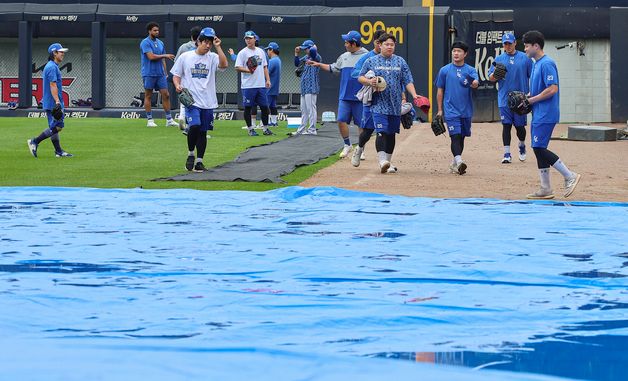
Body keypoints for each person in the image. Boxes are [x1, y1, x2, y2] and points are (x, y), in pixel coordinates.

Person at [522, 30, 581, 199]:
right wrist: (527, 97)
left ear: (536, 46)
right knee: (538, 148)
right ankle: (546, 188)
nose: (525, 49)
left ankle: (570, 175)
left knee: (539, 148)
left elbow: (553, 89)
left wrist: (532, 100)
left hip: (546, 114)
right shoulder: (535, 63)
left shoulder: (547, 63)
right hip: (539, 113)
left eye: (526, 46)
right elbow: (539, 89)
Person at [358, 33, 424, 174]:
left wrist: (414, 94)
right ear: (380, 45)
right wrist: (369, 81)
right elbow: (360, 77)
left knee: (391, 134)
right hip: (378, 103)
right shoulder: (371, 61)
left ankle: (388, 162)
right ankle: (382, 161)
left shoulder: (400, 62)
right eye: (386, 44)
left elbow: (408, 80)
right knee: (381, 132)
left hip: (395, 104)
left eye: (392, 44)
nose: (389, 46)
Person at [171, 27, 228, 172]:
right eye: (205, 42)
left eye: (210, 42)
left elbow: (224, 65)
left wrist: (218, 46)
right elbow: (176, 75)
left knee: (203, 132)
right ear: (199, 42)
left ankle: (199, 161)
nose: (208, 45)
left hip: (208, 101)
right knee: (195, 125)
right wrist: (177, 85)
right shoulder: (186, 56)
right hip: (192, 101)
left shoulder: (213, 57)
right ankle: (190, 154)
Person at [309, 30, 368, 158]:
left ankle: (361, 149)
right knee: (341, 120)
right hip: (345, 97)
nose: (345, 44)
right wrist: (318, 64)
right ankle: (347, 145)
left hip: (360, 97)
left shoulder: (367, 56)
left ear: (354, 43)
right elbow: (333, 68)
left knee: (361, 124)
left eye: (347, 42)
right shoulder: (344, 56)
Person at [435, 41, 479, 175]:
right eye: (454, 51)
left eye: (459, 51)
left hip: (465, 110)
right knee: (455, 136)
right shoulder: (445, 70)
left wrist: (471, 82)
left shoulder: (470, 70)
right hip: (450, 110)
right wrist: (440, 110)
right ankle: (459, 161)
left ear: (465, 54)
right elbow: (440, 90)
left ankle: (454, 163)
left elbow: (476, 84)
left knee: (462, 138)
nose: (456, 53)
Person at [488, 32, 533, 163]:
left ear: (515, 43)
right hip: (504, 98)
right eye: (505, 43)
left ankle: (522, 145)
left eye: (510, 43)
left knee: (520, 128)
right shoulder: (499, 59)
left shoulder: (525, 58)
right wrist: (496, 75)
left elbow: (533, 76)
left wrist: (530, 94)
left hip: (520, 99)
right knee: (506, 125)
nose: (508, 46)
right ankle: (507, 154)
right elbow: (490, 78)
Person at [27, 43, 73, 158]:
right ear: (54, 53)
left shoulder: (51, 66)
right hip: (54, 102)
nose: (63, 54)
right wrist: (57, 101)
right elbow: (52, 85)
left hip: (50, 102)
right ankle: (35, 141)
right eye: (61, 52)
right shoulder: (52, 67)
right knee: (58, 126)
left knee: (54, 127)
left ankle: (58, 151)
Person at [351, 28, 386, 168]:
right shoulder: (367, 58)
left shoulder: (391, 58)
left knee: (384, 131)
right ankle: (359, 149)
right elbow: (355, 73)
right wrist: (368, 79)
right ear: (375, 42)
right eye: (379, 42)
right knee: (368, 130)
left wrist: (402, 97)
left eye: (384, 42)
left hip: (386, 100)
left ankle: (384, 161)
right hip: (371, 99)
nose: (381, 45)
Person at [235, 30, 272, 136]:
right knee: (248, 107)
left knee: (265, 107)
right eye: (246, 38)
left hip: (260, 85)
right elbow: (237, 67)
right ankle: (250, 129)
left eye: (250, 38)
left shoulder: (261, 51)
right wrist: (248, 70)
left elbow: (265, 66)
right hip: (248, 85)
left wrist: (268, 80)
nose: (248, 40)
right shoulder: (243, 52)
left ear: (255, 39)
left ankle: (265, 128)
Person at [140, 22, 177, 128]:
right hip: (149, 73)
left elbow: (163, 60)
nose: (157, 32)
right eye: (154, 30)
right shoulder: (145, 42)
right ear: (149, 31)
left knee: (166, 95)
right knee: (148, 95)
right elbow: (151, 57)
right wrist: (165, 55)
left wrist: (165, 73)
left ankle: (169, 120)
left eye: (158, 30)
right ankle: (150, 120)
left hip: (160, 74)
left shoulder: (160, 43)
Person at [174, 26, 202, 133]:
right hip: (197, 77)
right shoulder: (202, 47)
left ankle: (182, 116)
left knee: (185, 98)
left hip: (184, 76)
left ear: (191, 36)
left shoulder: (184, 47)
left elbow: (176, 61)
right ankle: (190, 125)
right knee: (196, 102)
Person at [294, 39, 321, 135]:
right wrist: (296, 54)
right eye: (304, 49)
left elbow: (314, 54)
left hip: (312, 87)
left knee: (311, 109)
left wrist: (313, 47)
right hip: (304, 87)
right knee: (304, 110)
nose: (305, 50)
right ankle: (302, 129)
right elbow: (297, 64)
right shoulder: (306, 57)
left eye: (306, 48)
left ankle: (312, 129)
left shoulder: (316, 56)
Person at [265, 42, 282, 127]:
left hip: (269, 87)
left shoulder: (272, 61)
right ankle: (274, 122)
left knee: (266, 105)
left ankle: (265, 122)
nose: (267, 52)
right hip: (275, 87)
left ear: (271, 50)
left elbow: (267, 73)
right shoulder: (278, 60)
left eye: (268, 49)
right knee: (273, 105)